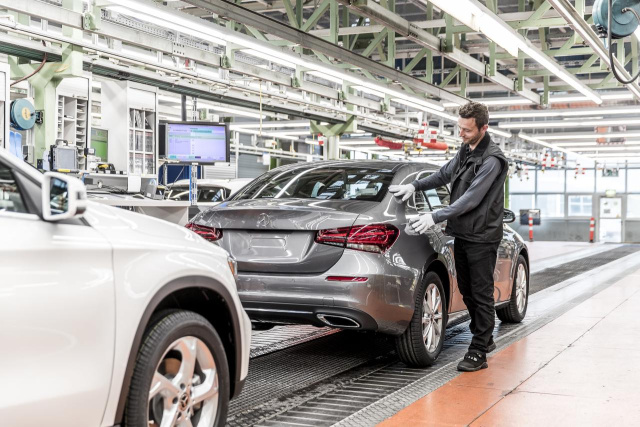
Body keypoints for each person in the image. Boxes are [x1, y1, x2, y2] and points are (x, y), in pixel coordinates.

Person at [389, 101, 508, 372]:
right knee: (466, 290)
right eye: (460, 128)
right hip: (464, 232)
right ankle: (484, 335)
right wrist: (415, 185)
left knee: (480, 292)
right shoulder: (466, 149)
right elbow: (444, 174)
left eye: (467, 130)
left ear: (483, 128)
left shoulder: (492, 160)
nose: (461, 134)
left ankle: (479, 349)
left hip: (483, 236)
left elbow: (471, 198)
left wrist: (435, 216)